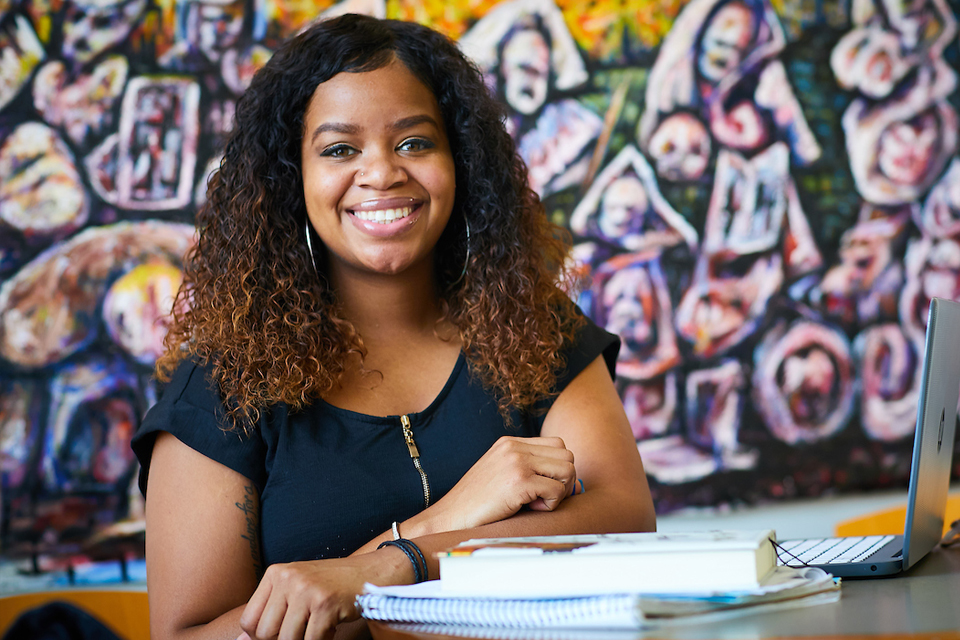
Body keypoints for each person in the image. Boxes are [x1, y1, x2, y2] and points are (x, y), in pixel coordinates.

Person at [131, 13, 655, 640]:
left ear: (460, 163)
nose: (381, 173)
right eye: (338, 149)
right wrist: (456, 514)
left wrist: (391, 567)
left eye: (413, 142)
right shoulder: (222, 389)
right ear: (290, 181)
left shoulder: (534, 329)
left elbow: (622, 519)